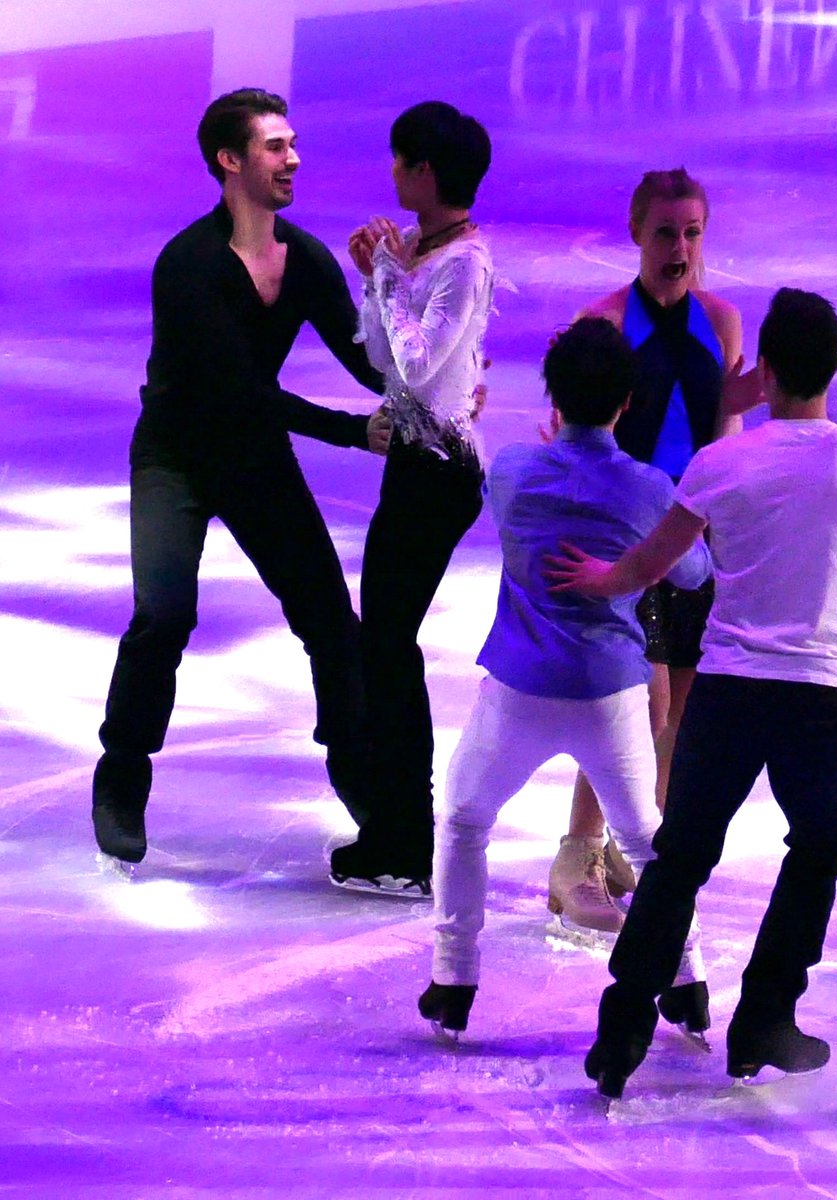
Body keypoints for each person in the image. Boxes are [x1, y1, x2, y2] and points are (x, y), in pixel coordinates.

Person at [546, 288, 837, 1098]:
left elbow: (652, 564)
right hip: (820, 699)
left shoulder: (718, 463)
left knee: (681, 858)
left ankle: (620, 1034)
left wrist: (600, 578)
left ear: (766, 370)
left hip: (728, 693)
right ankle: (764, 1022)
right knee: (817, 850)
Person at [92, 88, 390, 864]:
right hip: (177, 458)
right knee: (165, 616)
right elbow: (241, 392)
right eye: (275, 147)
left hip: (255, 458)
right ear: (230, 161)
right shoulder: (188, 265)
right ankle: (122, 772)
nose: (293, 159)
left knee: (331, 621)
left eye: (293, 144)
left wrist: (429, 371)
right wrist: (354, 432)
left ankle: (358, 774)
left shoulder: (306, 259)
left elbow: (367, 361)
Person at [417, 317, 712, 1036]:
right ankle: (687, 981)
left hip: (518, 690)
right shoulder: (648, 489)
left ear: (554, 397)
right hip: (611, 694)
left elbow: (506, 500)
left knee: (464, 818)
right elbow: (694, 572)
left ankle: (453, 978)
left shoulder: (514, 470)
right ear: (627, 402)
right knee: (647, 842)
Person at [547, 168, 759, 941]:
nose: (681, 247)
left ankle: (631, 845)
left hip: (696, 534)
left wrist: (725, 520)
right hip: (626, 532)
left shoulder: (722, 320)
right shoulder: (603, 321)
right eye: (666, 231)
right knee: (636, 700)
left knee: (682, 703)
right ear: (637, 232)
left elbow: (721, 429)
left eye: (693, 233)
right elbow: (576, 429)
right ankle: (578, 851)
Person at [329, 102, 495, 895]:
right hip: (415, 464)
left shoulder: (465, 262)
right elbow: (380, 359)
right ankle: (398, 834)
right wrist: (376, 279)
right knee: (385, 647)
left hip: (439, 473)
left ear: (425, 170)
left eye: (401, 161)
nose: (392, 173)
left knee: (389, 648)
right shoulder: (422, 248)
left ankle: (404, 843)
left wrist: (388, 276)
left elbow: (421, 366)